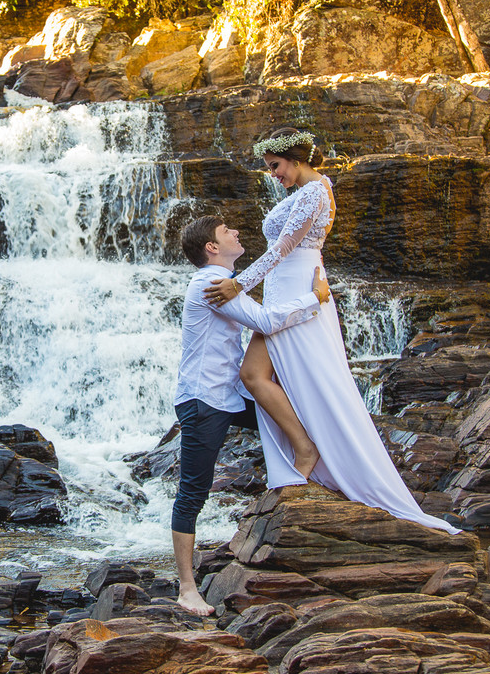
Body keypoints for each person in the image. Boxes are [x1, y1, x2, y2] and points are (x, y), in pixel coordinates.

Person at [204, 128, 461, 535]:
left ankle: (309, 451)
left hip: (299, 289)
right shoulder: (303, 192)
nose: (274, 175)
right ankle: (304, 446)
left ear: (294, 158)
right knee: (254, 375)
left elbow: (282, 249)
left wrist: (239, 283)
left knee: (279, 375)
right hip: (285, 290)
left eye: (275, 167)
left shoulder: (315, 192)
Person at [172, 215, 332, 616]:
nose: (236, 232)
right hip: (203, 401)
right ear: (211, 247)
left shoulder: (226, 283)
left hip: (229, 394)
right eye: (227, 232)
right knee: (193, 490)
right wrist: (315, 298)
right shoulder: (209, 283)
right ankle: (187, 588)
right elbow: (263, 321)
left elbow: (263, 320)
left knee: (290, 409)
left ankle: (308, 455)